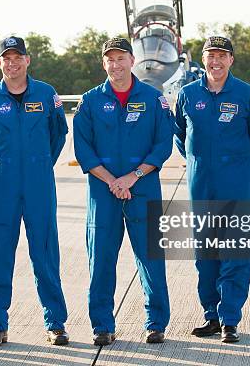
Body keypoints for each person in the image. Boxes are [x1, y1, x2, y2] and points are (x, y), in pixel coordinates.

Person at [73, 37, 174, 346]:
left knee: (151, 261)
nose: (115, 64)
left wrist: (132, 177)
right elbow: (84, 150)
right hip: (103, 195)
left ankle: (155, 323)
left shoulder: (154, 99)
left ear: (132, 60)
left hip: (143, 189)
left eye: (121, 58)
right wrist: (113, 182)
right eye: (110, 59)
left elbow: (162, 145)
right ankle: (102, 325)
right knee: (101, 262)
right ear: (104, 63)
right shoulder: (90, 101)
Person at [0, 36, 69, 348]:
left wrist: (39, 164)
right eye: (6, 58)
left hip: (39, 184)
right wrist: (4, 166)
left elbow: (58, 135)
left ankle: (55, 323)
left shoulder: (47, 94)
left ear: (28, 60)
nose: (12, 63)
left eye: (18, 57)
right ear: (0, 63)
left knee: (45, 254)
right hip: (3, 187)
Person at [174, 36, 250, 343]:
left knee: (236, 253)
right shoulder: (187, 94)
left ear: (231, 59)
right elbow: (180, 135)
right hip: (201, 186)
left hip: (235, 186)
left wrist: (238, 164)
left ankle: (230, 319)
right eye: (210, 55)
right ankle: (211, 316)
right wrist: (198, 162)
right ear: (203, 59)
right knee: (205, 254)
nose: (216, 61)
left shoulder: (247, 95)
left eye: (222, 55)